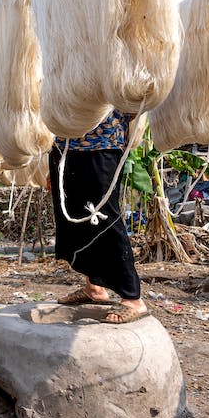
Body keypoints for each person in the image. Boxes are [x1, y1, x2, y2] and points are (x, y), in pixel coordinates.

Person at [50, 110, 151, 324]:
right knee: (75, 217)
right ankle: (94, 288)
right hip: (65, 142)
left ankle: (133, 299)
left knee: (104, 217)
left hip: (104, 141)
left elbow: (136, 99)